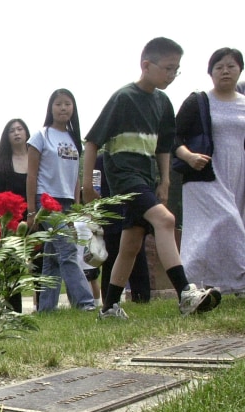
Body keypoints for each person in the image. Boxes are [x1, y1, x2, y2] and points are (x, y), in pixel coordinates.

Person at [82, 37, 221, 319]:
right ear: (146, 65)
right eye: (168, 68)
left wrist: (165, 180)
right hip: (124, 175)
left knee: (131, 243)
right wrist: (87, 184)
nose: (171, 75)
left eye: (176, 70)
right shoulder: (123, 98)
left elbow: (163, 146)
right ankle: (185, 293)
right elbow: (93, 141)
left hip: (147, 177)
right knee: (166, 220)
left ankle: (108, 308)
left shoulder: (163, 103)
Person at [175, 47, 245, 295]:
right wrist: (189, 156)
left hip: (237, 172)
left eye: (231, 66)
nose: (225, 71)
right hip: (205, 174)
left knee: (225, 229)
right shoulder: (198, 101)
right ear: (210, 72)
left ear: (240, 70)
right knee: (228, 222)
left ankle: (223, 285)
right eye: (219, 67)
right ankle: (194, 282)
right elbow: (173, 137)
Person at [26, 89, 95, 312]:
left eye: (67, 104)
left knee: (53, 256)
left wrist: (76, 208)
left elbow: (75, 177)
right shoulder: (41, 136)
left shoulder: (75, 140)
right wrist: (30, 210)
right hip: (46, 201)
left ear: (73, 108)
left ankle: (46, 308)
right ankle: (85, 303)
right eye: (58, 104)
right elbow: (32, 174)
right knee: (67, 250)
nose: (63, 108)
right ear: (51, 108)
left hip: (67, 201)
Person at [0, 118, 36, 312]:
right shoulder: (1, 164)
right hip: (10, 222)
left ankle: (44, 306)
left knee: (40, 261)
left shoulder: (37, 158)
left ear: (27, 133)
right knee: (11, 267)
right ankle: (12, 310)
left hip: (35, 217)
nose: (17, 133)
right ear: (7, 137)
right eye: (12, 130)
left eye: (20, 129)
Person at [94, 154, 151, 303]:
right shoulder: (100, 161)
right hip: (110, 216)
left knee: (137, 255)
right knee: (111, 258)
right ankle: (109, 299)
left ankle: (141, 297)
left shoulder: (135, 158)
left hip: (132, 212)